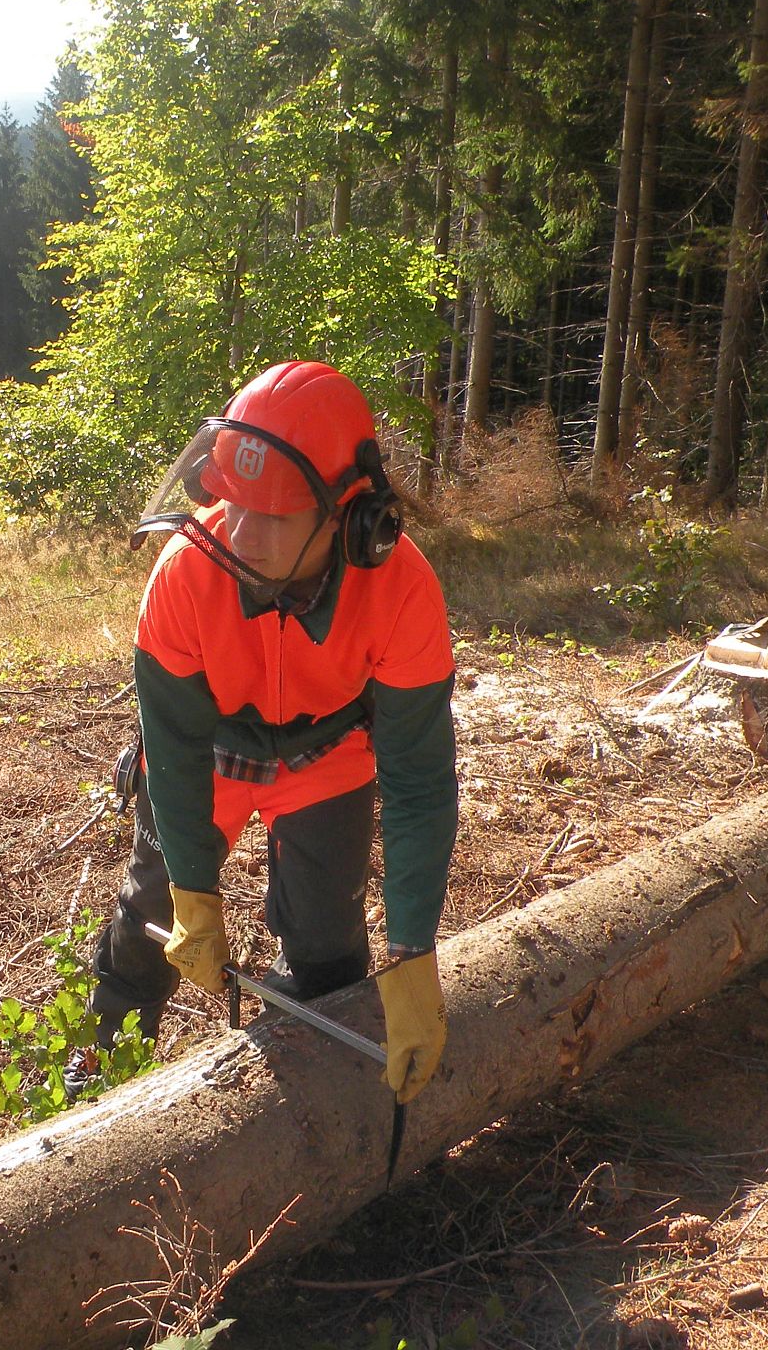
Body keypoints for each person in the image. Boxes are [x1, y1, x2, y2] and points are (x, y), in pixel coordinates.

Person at [88, 360, 459, 1104]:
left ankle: (308, 1094)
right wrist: (194, 889)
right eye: (234, 503)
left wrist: (413, 953)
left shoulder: (402, 590)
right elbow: (174, 749)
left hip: (328, 753)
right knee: (150, 911)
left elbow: (418, 784)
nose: (242, 534)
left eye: (275, 516)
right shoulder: (184, 573)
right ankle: (100, 1063)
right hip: (209, 752)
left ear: (351, 516)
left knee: (328, 952)